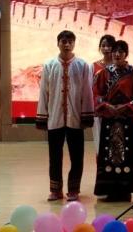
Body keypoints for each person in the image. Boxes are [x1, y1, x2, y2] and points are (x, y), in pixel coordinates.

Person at [36, 30, 95, 202]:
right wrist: (43, 117)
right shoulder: (49, 65)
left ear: (74, 44)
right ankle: (55, 190)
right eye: (63, 41)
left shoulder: (83, 65)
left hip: (75, 119)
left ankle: (73, 190)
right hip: (55, 119)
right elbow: (44, 92)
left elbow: (87, 92)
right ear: (58, 43)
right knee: (54, 157)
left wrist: (86, 115)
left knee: (77, 156)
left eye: (70, 41)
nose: (67, 44)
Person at [93, 40, 133, 202]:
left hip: (126, 119)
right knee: (110, 154)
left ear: (126, 54)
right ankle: (110, 190)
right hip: (109, 119)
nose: (117, 54)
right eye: (115, 51)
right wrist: (107, 106)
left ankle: (126, 190)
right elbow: (97, 93)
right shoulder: (104, 73)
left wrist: (127, 106)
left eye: (121, 52)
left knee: (127, 154)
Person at [93, 34, 116, 151]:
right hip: (99, 110)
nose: (106, 48)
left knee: (114, 142)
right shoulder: (94, 67)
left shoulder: (120, 67)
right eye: (103, 46)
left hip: (116, 109)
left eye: (109, 46)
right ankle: (100, 163)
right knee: (100, 142)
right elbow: (91, 89)